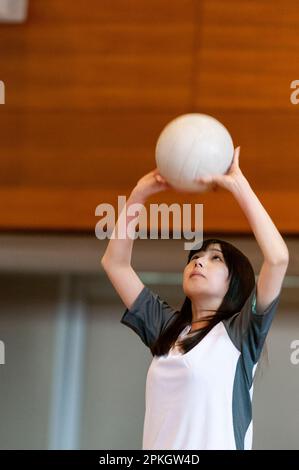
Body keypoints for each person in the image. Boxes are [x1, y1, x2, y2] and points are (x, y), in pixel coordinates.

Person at [101, 147, 289, 450]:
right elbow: (115, 263)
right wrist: (138, 196)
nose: (199, 262)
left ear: (236, 282)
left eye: (215, 258)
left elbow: (278, 259)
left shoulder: (240, 334)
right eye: (195, 257)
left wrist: (239, 187)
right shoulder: (167, 327)